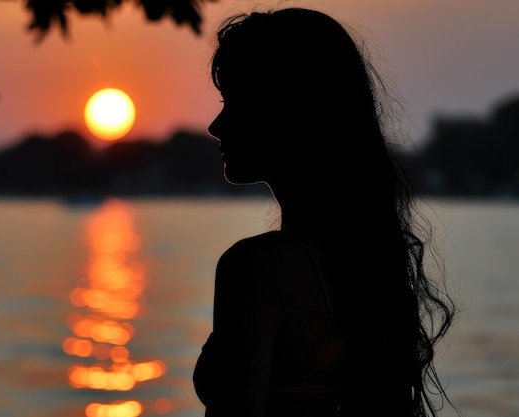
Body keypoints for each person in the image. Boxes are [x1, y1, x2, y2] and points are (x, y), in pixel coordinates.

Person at [192, 7, 458, 417]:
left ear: (287, 113)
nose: (216, 124)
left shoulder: (257, 267)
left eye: (237, 102)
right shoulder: (366, 266)